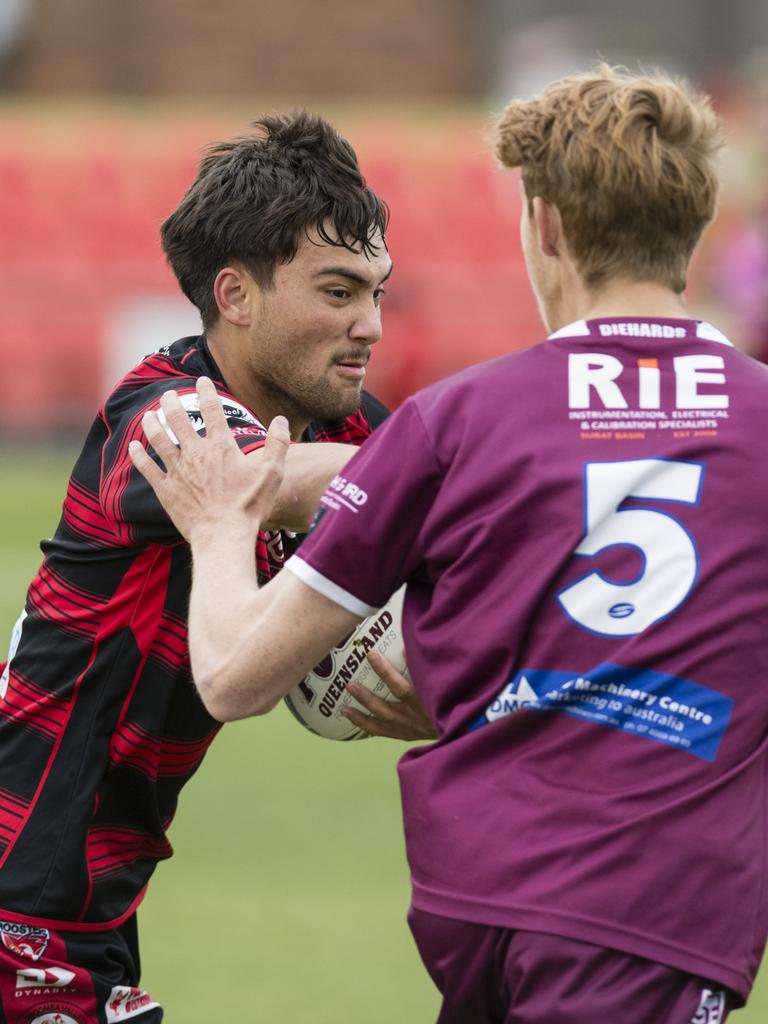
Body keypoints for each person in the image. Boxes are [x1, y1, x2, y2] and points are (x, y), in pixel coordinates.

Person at [131, 66, 768, 1024]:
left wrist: (225, 522)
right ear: (696, 221)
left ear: (544, 225)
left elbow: (230, 674)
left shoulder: (454, 424)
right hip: (651, 915)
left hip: (480, 902)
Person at [0, 112, 433, 1024]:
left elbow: (444, 500)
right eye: (338, 291)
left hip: (90, 897)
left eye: (377, 292)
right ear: (235, 294)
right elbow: (248, 478)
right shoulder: (161, 417)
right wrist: (477, 470)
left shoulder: (347, 428)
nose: (370, 325)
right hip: (20, 893)